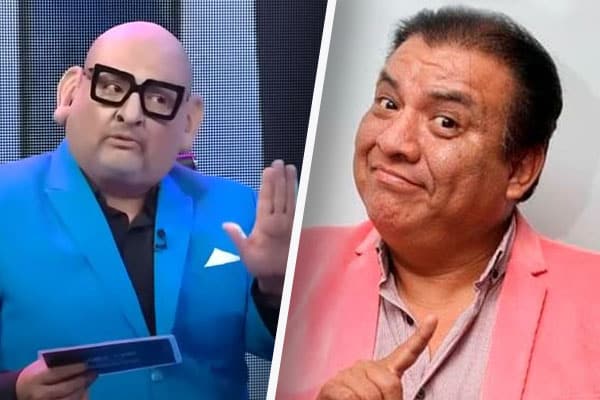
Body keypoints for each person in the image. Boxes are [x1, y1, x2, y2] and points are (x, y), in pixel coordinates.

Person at [276, 6, 600, 400]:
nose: (392, 141)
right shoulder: (292, 267)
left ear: (520, 169)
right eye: (388, 103)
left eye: (446, 122)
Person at [0, 21, 296, 400]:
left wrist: (276, 287)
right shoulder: (6, 201)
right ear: (71, 93)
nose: (131, 113)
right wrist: (14, 390)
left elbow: (289, 355)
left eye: (158, 98)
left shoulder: (238, 209)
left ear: (188, 122)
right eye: (112, 87)